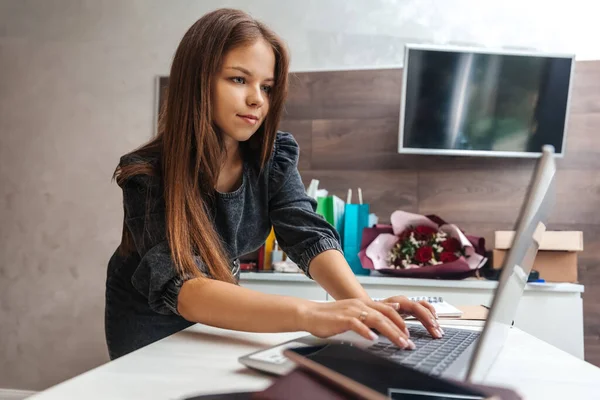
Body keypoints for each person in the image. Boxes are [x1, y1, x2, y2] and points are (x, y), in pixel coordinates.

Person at [105, 8, 443, 360]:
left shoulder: (272, 157)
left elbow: (307, 234)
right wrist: (311, 314)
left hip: (218, 313)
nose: (257, 99)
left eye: (266, 87)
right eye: (239, 80)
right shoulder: (147, 174)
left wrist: (363, 306)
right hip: (150, 323)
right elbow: (184, 288)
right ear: (197, 80)